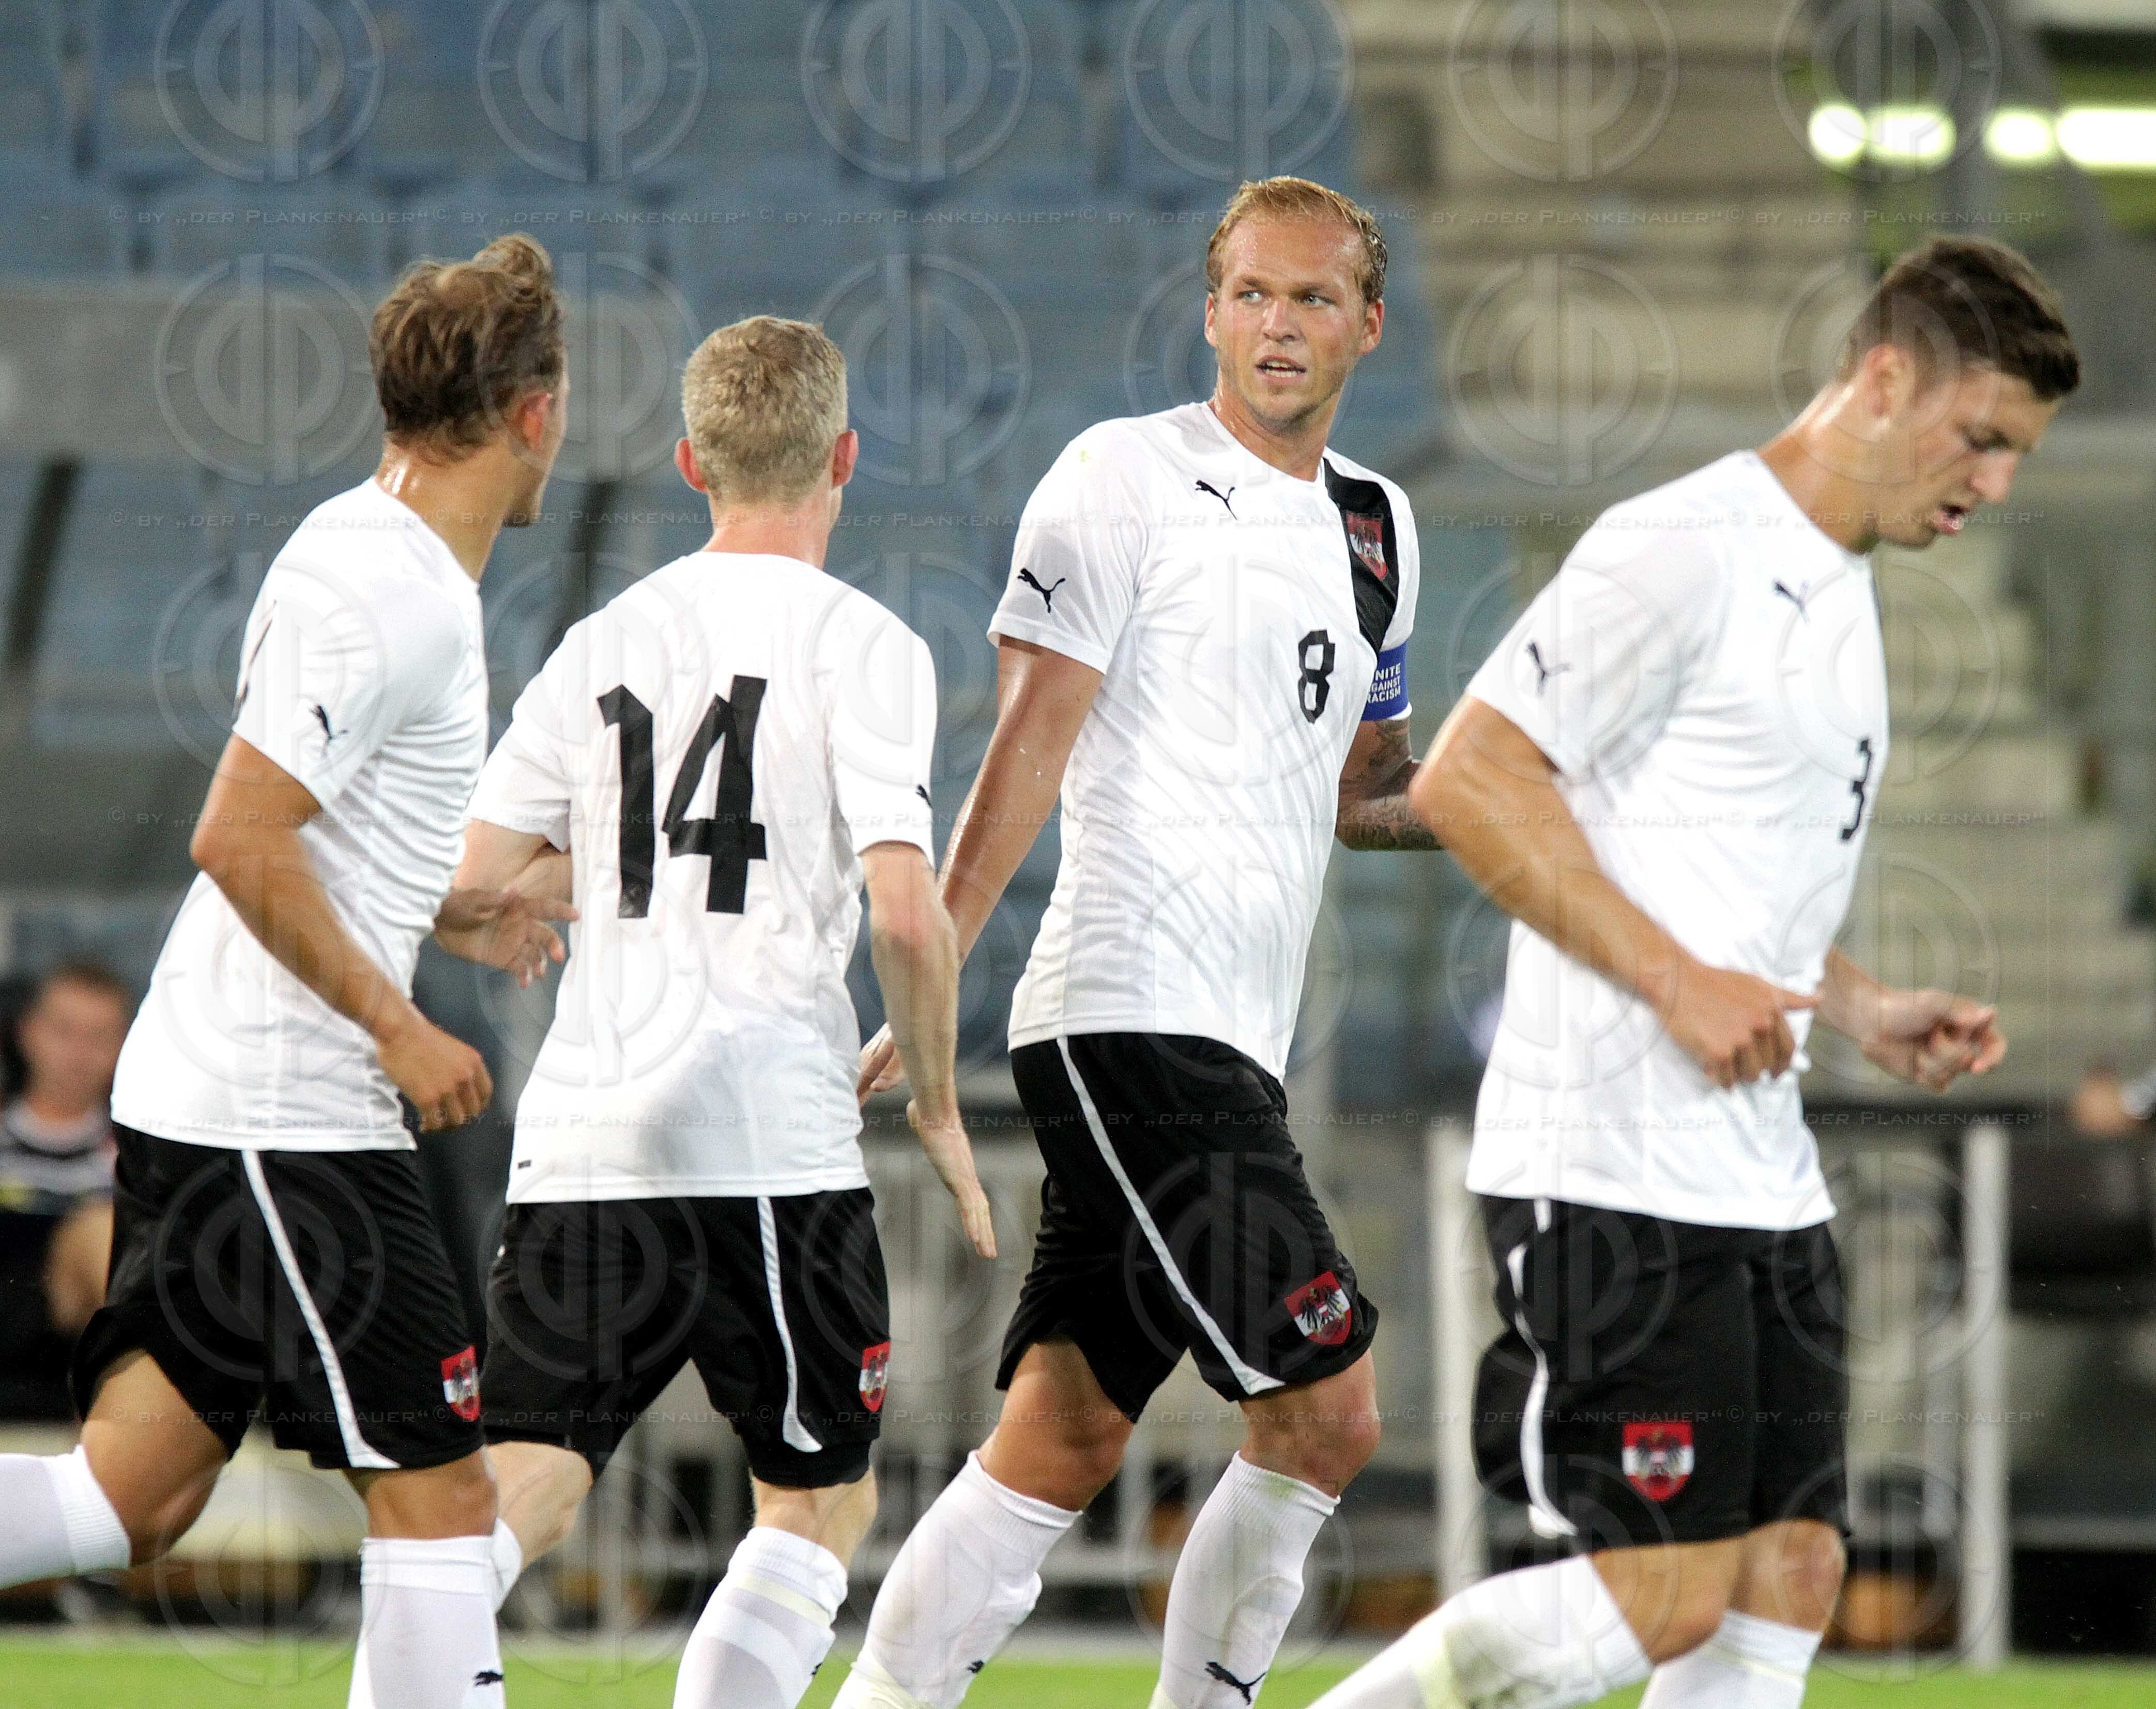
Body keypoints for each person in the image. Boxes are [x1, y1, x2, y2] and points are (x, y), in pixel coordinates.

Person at [1309, 236, 2076, 1709]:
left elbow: (1708, 870)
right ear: (1881, 379)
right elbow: (1469, 778)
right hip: (1607, 1161)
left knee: (1789, 1573)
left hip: (1755, 1172)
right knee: (1655, 1596)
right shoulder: (1684, 546)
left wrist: (1856, 1005)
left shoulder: (1839, 583)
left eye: (2013, 456)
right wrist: (1673, 986)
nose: (1991, 483)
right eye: (1979, 437)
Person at [837, 175, 1441, 1709]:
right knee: (1325, 1413)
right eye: (1251, 294)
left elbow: (1365, 794)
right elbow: (1026, 746)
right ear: (1210, 312)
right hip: (1129, 1011)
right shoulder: (1120, 475)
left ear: (1367, 325)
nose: (1278, 325)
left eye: (1312, 298)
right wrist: (932, 965)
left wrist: (1532, 804)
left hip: (1230, 1033)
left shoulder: (1376, 527)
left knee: (1063, 1433)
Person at [0, 235, 575, 1709]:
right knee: (440, 1495)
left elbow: (323, 840)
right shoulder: (394, 591)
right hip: (288, 1115)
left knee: (132, 1494)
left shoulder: (368, 547)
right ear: (536, 415)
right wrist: (396, 1023)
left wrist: (447, 912)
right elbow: (236, 833)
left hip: (231, 1094)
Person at [436, 315, 995, 1709]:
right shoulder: (866, 645)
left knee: (529, 1477)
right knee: (816, 1498)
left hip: (588, 1129)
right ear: (843, 458)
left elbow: (465, 888)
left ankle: (407, 1677)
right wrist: (934, 1098)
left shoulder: (600, 642)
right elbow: (907, 913)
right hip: (767, 1130)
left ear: (690, 463)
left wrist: (574, 887)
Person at [0, 962, 131, 1421]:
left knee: (104, 1231)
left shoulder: (138, 1160)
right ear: (28, 1032)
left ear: (124, 1046)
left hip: (76, 1334)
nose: (79, 1053)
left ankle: (115, 1433)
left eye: (99, 1036)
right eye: (64, 1031)